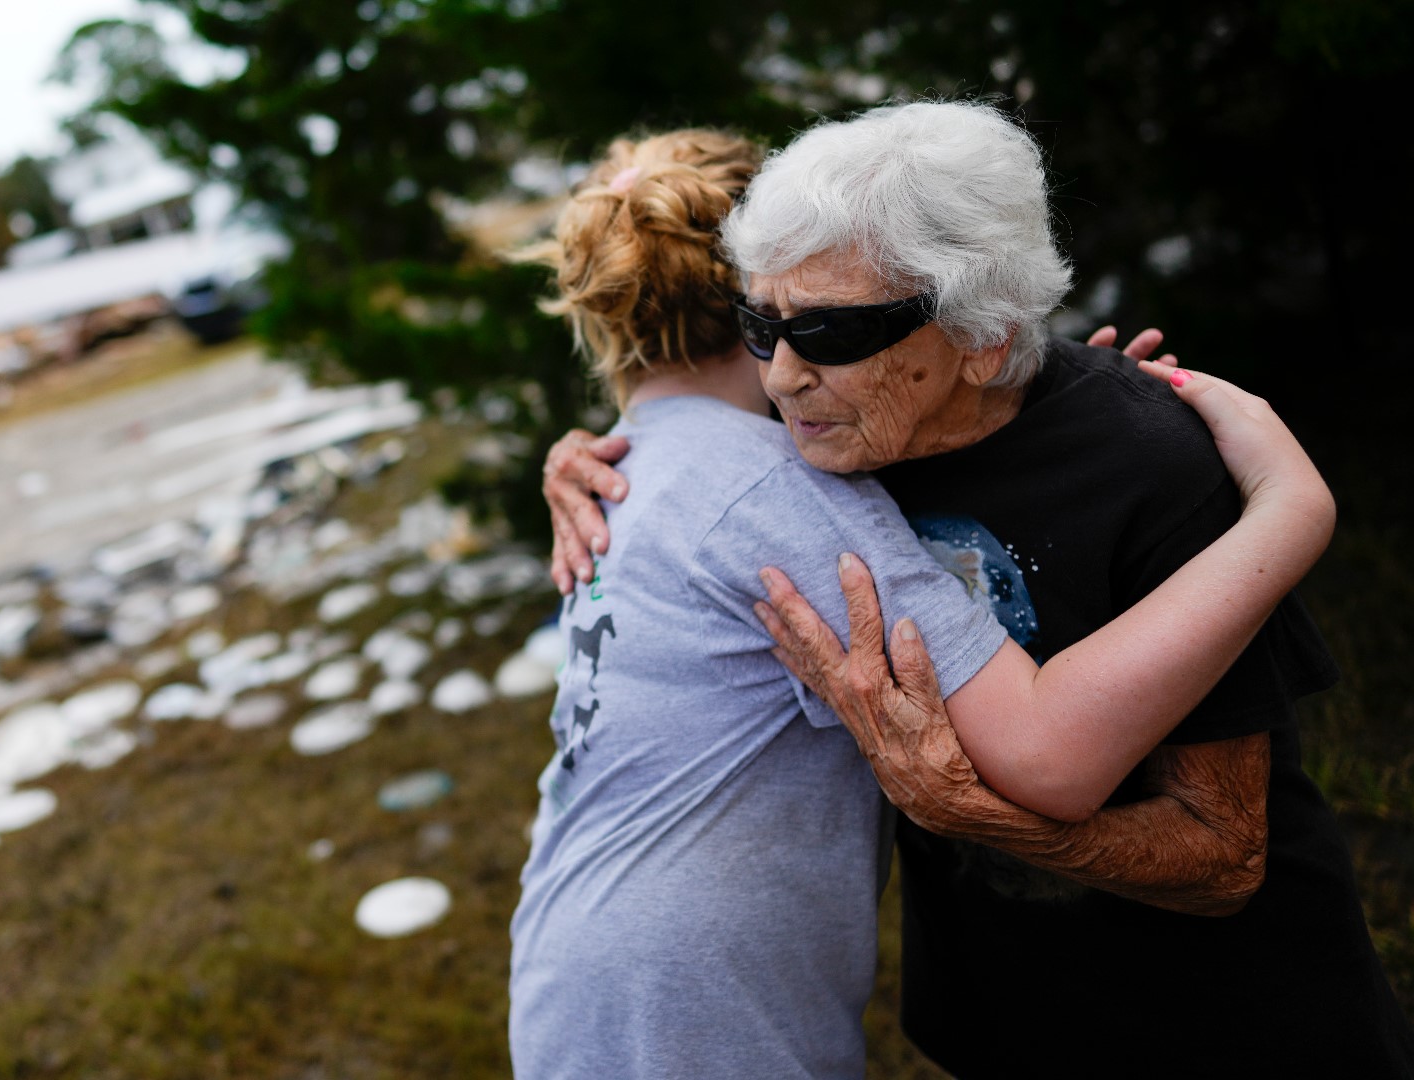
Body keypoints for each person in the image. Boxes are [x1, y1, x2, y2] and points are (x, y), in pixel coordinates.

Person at [540, 103, 1414, 1077]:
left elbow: (1224, 856)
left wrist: (1291, 511)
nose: (783, 376)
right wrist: (587, 457)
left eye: (828, 332)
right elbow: (696, 429)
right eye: (759, 321)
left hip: (1230, 1034)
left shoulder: (1149, 464)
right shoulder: (831, 452)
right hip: (998, 1027)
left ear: (985, 338)